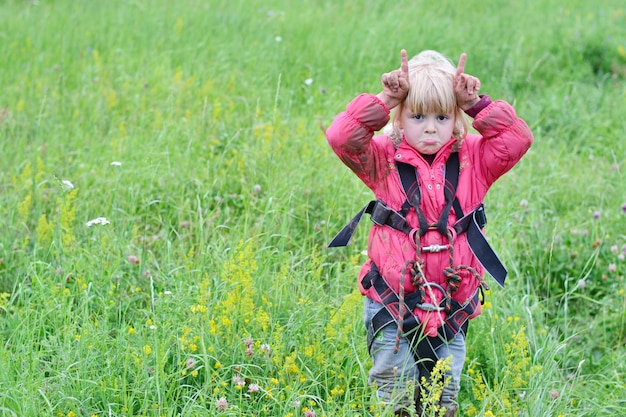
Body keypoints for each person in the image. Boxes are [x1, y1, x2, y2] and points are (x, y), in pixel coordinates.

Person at [325, 49, 533, 416]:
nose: (431, 127)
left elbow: (516, 141)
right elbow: (342, 137)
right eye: (418, 116)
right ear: (399, 120)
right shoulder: (382, 160)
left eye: (442, 115)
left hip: (452, 306)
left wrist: (476, 104)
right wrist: (385, 99)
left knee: (443, 397)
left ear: (456, 118)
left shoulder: (475, 159)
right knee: (395, 393)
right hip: (392, 301)